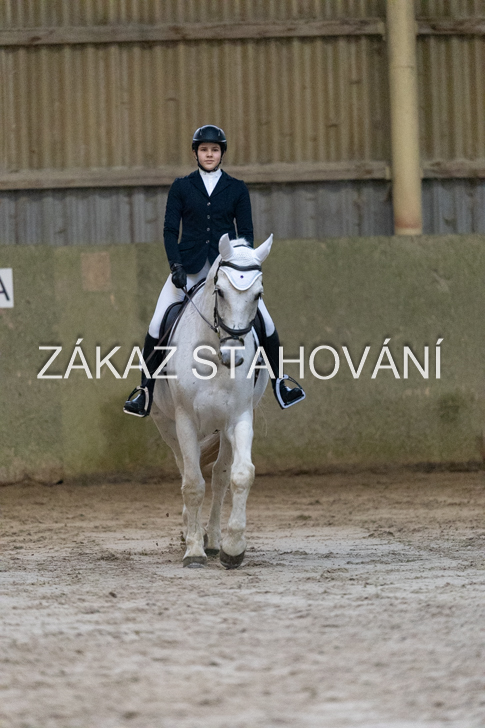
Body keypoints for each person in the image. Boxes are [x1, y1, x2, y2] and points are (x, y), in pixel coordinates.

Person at [123, 125, 305, 417]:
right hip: (190, 269)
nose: (209, 154)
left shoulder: (236, 188)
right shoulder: (182, 187)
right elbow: (170, 230)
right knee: (157, 323)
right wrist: (175, 265)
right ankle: (145, 390)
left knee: (267, 323)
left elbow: (246, 233)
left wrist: (241, 266)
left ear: (222, 153)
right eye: (204, 150)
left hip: (228, 272)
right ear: (196, 153)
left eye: (215, 150)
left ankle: (280, 382)